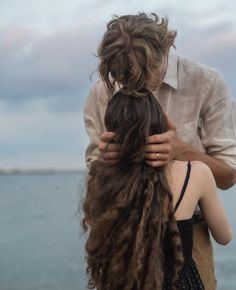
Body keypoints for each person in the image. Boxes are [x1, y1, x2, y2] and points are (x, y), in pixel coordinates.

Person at [83, 13, 236, 289]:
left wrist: (183, 152)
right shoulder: (100, 93)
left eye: (144, 75)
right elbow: (95, 180)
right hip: (121, 237)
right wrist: (106, 162)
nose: (133, 85)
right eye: (123, 78)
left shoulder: (207, 82)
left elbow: (229, 176)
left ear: (166, 49)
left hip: (185, 238)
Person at [82, 89, 232, 290]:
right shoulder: (195, 172)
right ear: (163, 124)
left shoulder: (103, 177)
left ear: (111, 133)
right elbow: (224, 237)